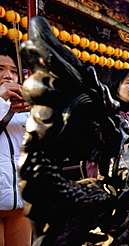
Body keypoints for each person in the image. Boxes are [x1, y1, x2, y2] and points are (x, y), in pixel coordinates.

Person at [0, 43, 32, 245]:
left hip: (20, 200)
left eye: (13, 71)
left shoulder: (24, 107)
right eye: (0, 70)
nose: (8, 76)